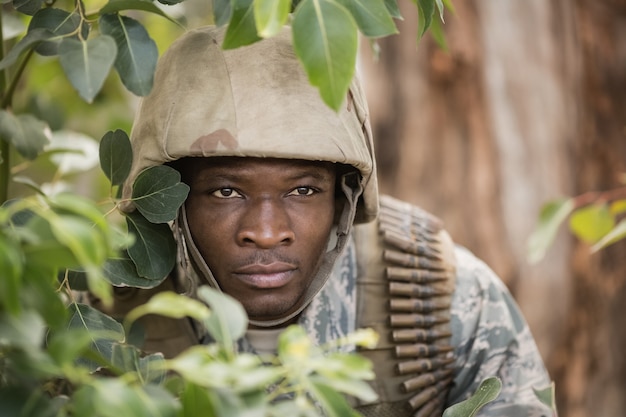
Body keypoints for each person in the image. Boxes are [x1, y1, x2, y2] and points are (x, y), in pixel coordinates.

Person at [101, 25, 553, 416]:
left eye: (302, 190)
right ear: (171, 200)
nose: (265, 231)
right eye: (226, 191)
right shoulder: (101, 309)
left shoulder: (446, 294)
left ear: (344, 196)